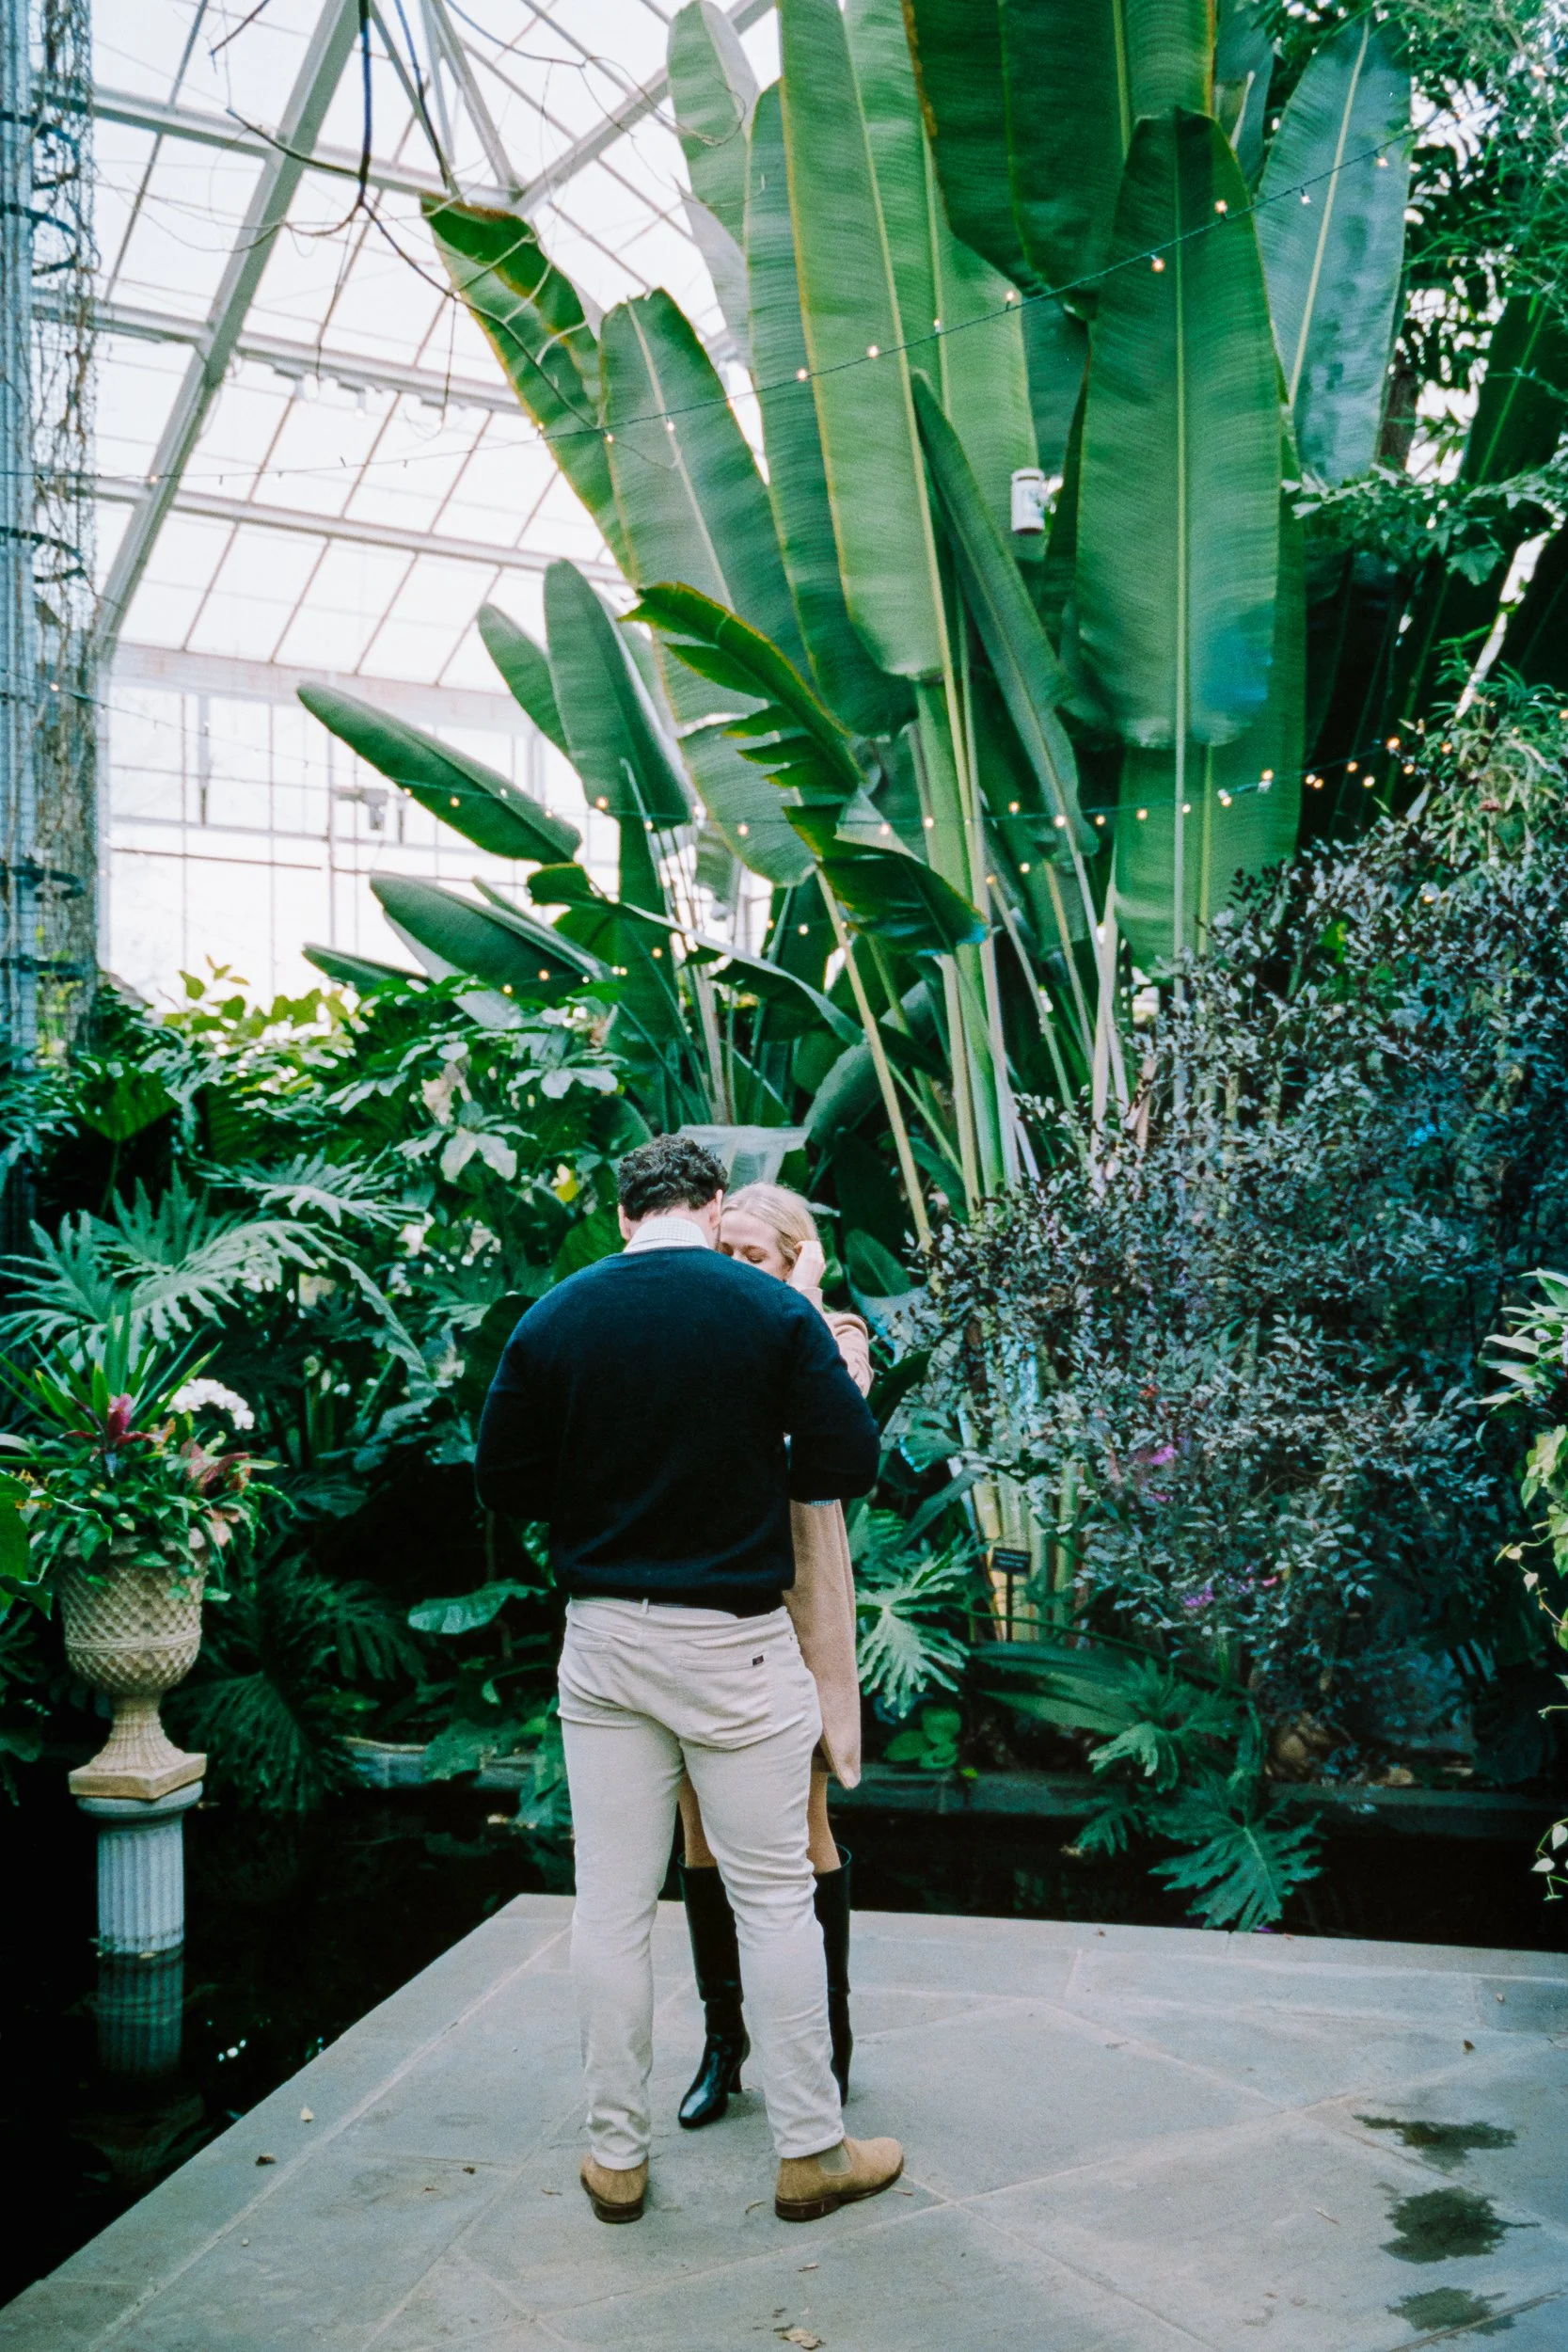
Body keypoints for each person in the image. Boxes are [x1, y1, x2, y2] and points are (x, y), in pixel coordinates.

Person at [473, 1134, 904, 2227]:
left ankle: (615, 2158)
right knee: (772, 1901)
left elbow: (503, 1480)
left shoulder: (556, 1314)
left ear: (623, 1215)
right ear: (713, 1208)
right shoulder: (769, 1314)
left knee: (611, 1907)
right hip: (736, 1642)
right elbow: (847, 1462)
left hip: (605, 1639)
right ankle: (810, 2151)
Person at [674, 1182, 867, 2132]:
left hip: (792, 1608)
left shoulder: (831, 1334)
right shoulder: (697, 1330)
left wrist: (797, 1291)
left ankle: (826, 2043)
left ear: (798, 1260)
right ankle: (725, 2044)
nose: (733, 1273)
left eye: (756, 1256)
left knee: (800, 1821)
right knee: (698, 1828)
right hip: (697, 1603)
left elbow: (818, 1436)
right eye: (726, 1254)